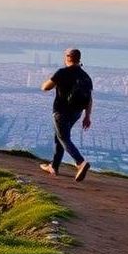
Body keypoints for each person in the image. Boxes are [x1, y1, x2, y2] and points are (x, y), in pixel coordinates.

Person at [40, 48, 93, 181]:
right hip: (76, 113)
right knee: (60, 137)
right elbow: (89, 99)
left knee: (63, 138)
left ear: (68, 57)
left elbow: (46, 87)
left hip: (61, 111)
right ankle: (54, 166)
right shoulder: (85, 76)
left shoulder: (62, 72)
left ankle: (80, 162)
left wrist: (48, 81)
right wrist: (87, 116)